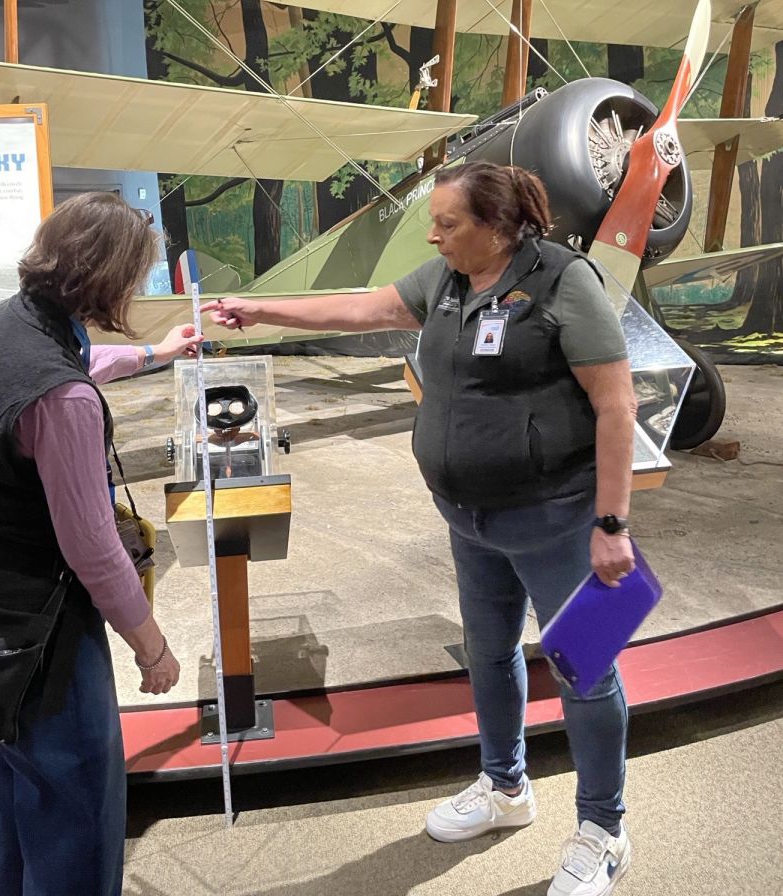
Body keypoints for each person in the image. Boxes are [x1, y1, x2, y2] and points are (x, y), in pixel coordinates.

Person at [206, 162, 637, 896]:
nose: (432, 234)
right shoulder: (446, 281)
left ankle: (604, 829)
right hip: (470, 519)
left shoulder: (567, 282)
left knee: (586, 670)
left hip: (560, 518)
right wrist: (262, 311)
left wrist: (612, 523)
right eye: (431, 221)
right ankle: (505, 790)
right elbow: (364, 310)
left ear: (499, 226)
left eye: (447, 223)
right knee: (489, 654)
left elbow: (617, 406)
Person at [0, 192, 203, 896]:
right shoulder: (65, 402)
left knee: (12, 806)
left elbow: (73, 362)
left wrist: (153, 354)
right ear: (110, 279)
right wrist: (154, 649)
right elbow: (94, 549)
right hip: (44, 637)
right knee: (78, 821)